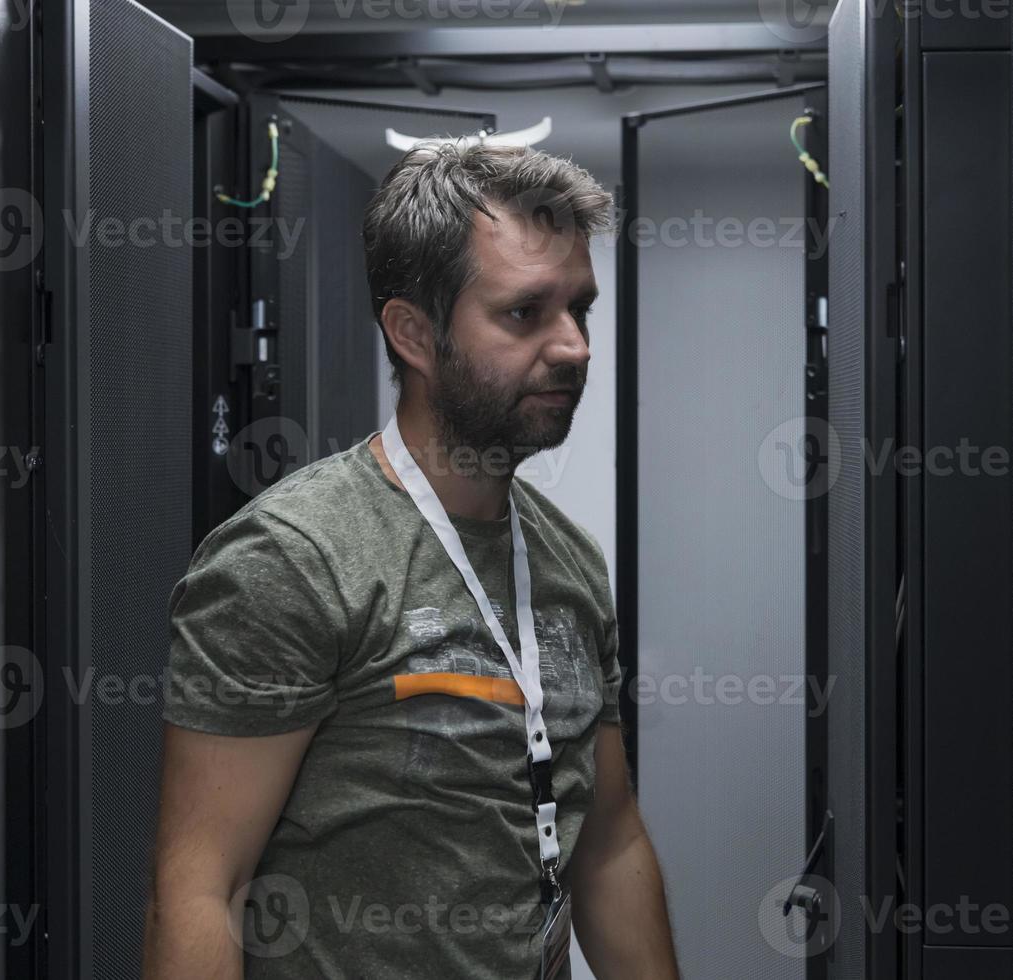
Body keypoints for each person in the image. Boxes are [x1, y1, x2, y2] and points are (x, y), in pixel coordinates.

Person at [141, 140, 680, 980]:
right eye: (524, 312)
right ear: (414, 334)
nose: (574, 346)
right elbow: (204, 888)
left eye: (580, 308)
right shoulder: (292, 560)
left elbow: (607, 842)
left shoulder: (568, 561)